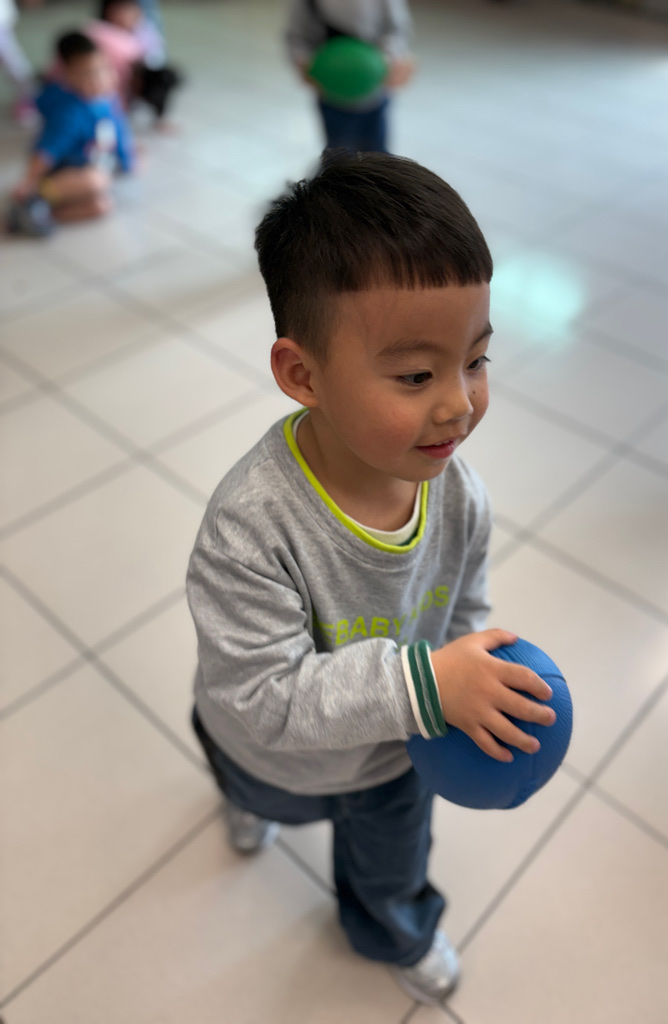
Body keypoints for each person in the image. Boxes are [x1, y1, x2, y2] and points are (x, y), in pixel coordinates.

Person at [186, 152, 556, 1004]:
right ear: (303, 375)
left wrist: (467, 670)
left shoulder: (458, 492)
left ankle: (397, 930)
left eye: (476, 361)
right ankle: (250, 803)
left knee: (393, 866)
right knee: (262, 792)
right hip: (270, 752)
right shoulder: (250, 528)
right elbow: (259, 696)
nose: (458, 403)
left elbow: (463, 602)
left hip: (395, 755)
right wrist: (425, 684)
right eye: (417, 375)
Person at [7, 30, 134, 236]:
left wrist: (128, 161)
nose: (99, 78)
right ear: (68, 75)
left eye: (104, 68)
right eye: (88, 73)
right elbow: (47, 150)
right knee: (97, 181)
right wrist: (28, 182)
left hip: (88, 168)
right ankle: (33, 198)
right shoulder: (70, 113)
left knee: (101, 207)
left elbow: (119, 131)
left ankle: (31, 218)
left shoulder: (108, 100)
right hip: (61, 176)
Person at [286, 0, 414, 153]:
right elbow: (297, 36)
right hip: (332, 94)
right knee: (340, 150)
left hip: (376, 90)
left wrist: (388, 57)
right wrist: (304, 61)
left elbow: (397, 28)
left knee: (377, 150)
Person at [89, 0, 182, 128]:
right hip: (111, 78)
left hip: (136, 75)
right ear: (107, 11)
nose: (125, 16)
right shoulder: (98, 33)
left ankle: (159, 117)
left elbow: (156, 57)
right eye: (120, 11)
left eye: (130, 11)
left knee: (165, 78)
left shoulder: (145, 31)